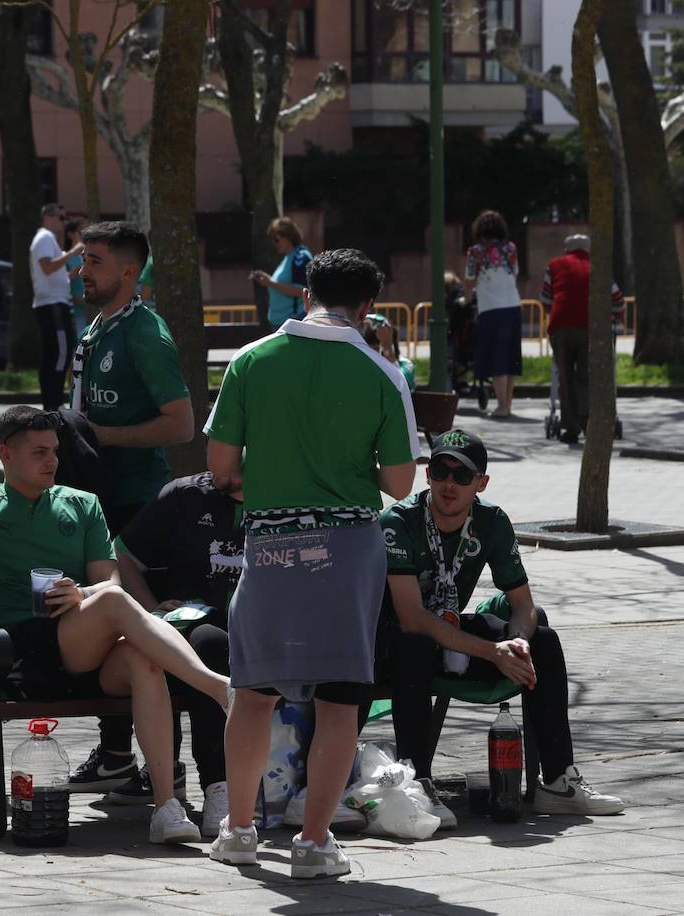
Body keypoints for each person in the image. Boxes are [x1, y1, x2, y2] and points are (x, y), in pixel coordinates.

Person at [0, 406, 232, 844]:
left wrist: (81, 596)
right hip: (25, 653)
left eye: (54, 450)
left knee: (142, 661)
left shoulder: (82, 504)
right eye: (38, 452)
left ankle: (166, 807)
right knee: (111, 603)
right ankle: (216, 687)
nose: (52, 460)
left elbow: (107, 581)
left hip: (86, 642)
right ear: (5, 454)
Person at [205, 248, 419, 879]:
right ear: (370, 306)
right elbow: (402, 484)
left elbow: (220, 467)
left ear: (305, 295)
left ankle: (239, 831)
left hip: (269, 545)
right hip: (349, 549)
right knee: (341, 701)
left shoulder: (249, 361)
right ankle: (314, 843)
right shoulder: (382, 372)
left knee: (253, 692)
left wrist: (261, 482)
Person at [378, 429, 625, 817]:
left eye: (462, 476)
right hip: (390, 644)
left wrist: (518, 644)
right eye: (440, 471)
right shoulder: (399, 521)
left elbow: (523, 605)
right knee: (416, 644)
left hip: (450, 635)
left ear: (481, 482)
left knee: (542, 637)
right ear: (427, 475)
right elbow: (411, 618)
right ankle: (418, 785)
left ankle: (558, 781)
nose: (448, 484)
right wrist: (492, 652)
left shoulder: (492, 521)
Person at [66, 221, 194, 794]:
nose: (81, 270)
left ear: (126, 271)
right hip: (99, 501)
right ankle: (116, 753)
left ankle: (167, 766)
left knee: (146, 630)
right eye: (82, 259)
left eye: (93, 261)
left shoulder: (145, 332)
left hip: (139, 508)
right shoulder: (98, 327)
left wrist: (98, 436)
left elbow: (181, 423)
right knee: (106, 632)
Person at [111, 472, 244, 837]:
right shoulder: (184, 495)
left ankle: (308, 787)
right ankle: (218, 786)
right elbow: (121, 554)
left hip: (263, 625)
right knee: (209, 646)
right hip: (193, 624)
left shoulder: (287, 495)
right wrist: (152, 612)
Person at [540, 234, 624, 444]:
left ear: (566, 249)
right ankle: (589, 423)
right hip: (592, 328)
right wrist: (612, 315)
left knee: (565, 377)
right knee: (587, 376)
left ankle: (570, 427)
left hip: (561, 327)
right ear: (589, 249)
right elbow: (618, 300)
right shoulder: (598, 267)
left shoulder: (554, 265)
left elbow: (545, 298)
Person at [463, 210, 523, 418]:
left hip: (491, 309)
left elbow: (470, 280)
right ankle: (508, 405)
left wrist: (468, 298)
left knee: (497, 358)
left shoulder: (476, 252)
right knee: (510, 358)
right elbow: (514, 273)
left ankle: (501, 407)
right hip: (514, 305)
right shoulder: (511, 248)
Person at [30, 203, 85, 410]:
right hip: (53, 304)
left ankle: (52, 403)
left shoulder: (46, 239)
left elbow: (54, 272)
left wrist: (71, 273)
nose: (64, 222)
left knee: (55, 353)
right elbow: (47, 267)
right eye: (61, 218)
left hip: (54, 303)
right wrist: (73, 252)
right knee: (62, 351)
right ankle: (53, 403)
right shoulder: (44, 237)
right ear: (48, 217)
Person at [250, 217, 313, 327]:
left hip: (293, 323)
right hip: (282, 324)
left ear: (288, 236)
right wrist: (268, 281)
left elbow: (302, 291)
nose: (275, 243)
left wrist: (270, 283)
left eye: (277, 239)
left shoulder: (300, 257)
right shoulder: (289, 257)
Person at [363, 314, 416, 391]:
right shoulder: (363, 364)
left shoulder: (406, 364)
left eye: (377, 348)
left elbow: (401, 384)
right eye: (370, 347)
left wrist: (387, 348)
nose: (374, 353)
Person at [64, 218, 89, 336]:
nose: (86, 235)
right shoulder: (65, 259)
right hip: (77, 315)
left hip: (95, 312)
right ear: (70, 234)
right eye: (81, 231)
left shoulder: (91, 257)